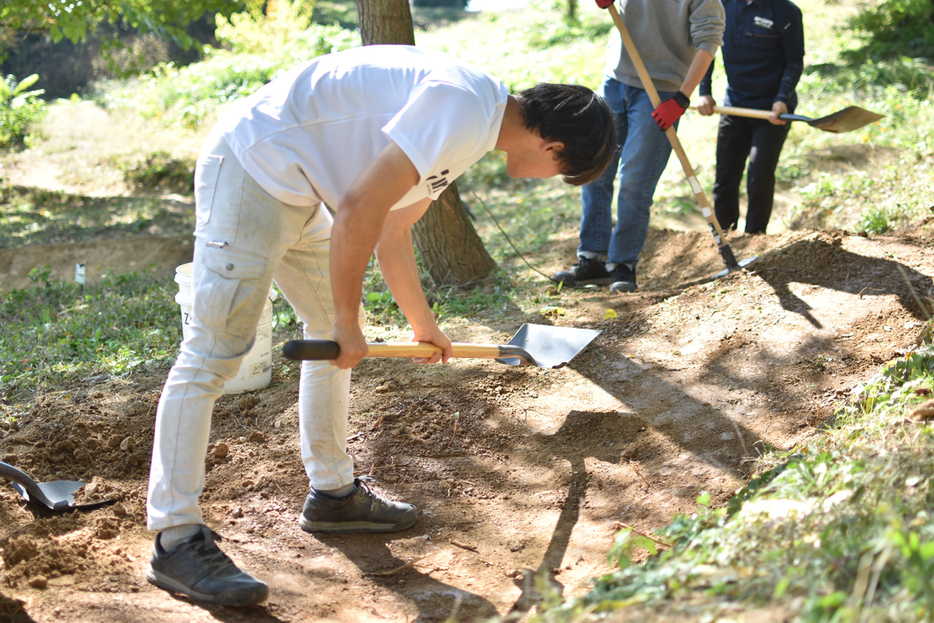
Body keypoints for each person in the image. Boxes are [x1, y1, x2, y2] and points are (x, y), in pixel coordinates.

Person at [144, 44, 616, 607]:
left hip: (300, 189)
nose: (547, 178)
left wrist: (425, 326)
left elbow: (391, 227)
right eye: (561, 173)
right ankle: (175, 537)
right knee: (215, 349)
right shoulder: (464, 106)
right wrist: (345, 323)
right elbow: (358, 207)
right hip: (251, 166)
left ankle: (333, 494)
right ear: (553, 147)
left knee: (331, 327)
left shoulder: (478, 123)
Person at [550, 0, 724, 293]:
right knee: (595, 169)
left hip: (663, 90)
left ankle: (622, 264)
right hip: (615, 81)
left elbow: (709, 41)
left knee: (635, 179)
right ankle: (592, 259)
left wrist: (682, 98)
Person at [696, 0, 804, 235]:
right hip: (735, 107)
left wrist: (782, 98)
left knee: (759, 174)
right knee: (725, 175)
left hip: (772, 111)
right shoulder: (721, 6)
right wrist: (704, 91)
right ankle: (725, 240)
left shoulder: (786, 12)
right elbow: (708, 48)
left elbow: (795, 60)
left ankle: (755, 239)